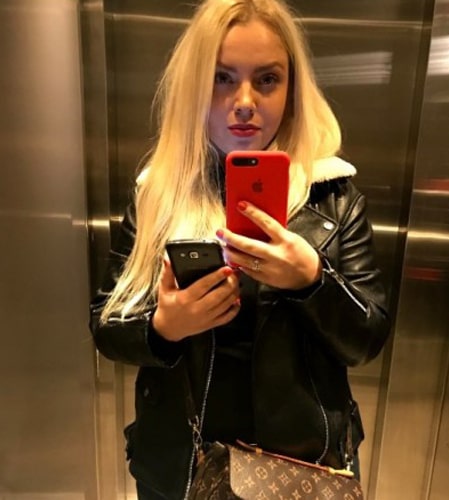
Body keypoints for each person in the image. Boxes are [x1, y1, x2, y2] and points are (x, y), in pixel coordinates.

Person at [89, 0, 391, 498]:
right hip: (179, 467)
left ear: (292, 91)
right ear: (194, 87)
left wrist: (312, 282)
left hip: (301, 469)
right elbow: (106, 326)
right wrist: (164, 328)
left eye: (267, 79)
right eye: (222, 78)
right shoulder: (157, 195)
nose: (245, 101)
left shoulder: (333, 196)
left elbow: (367, 340)